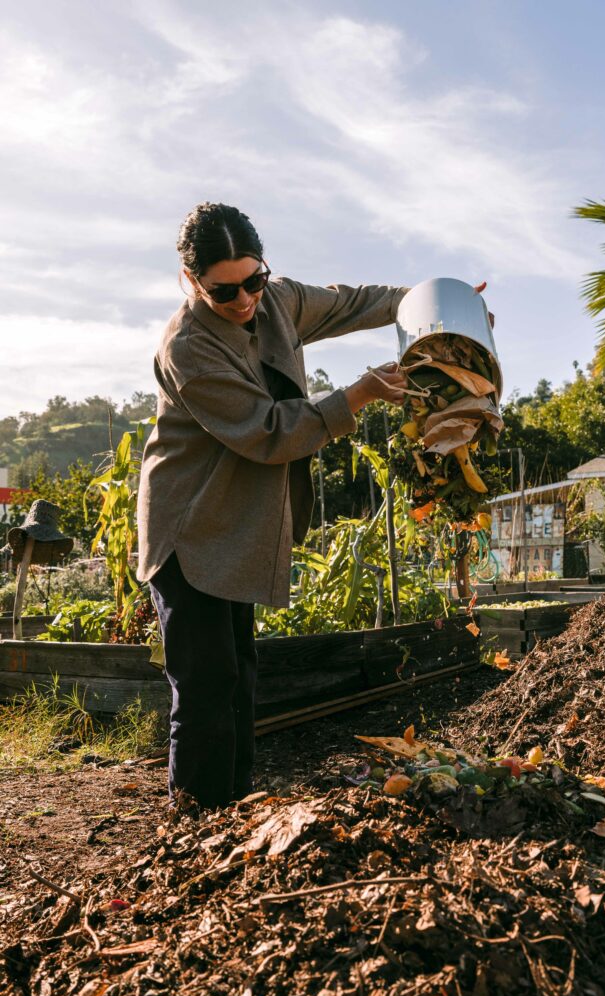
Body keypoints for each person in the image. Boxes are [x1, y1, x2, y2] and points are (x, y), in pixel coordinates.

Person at [137, 201, 409, 811]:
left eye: (252, 280)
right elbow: (269, 431)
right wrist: (359, 394)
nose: (242, 299)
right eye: (222, 289)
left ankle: (233, 809)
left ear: (265, 268)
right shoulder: (188, 346)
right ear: (191, 281)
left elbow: (351, 302)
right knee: (206, 687)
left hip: (239, 520)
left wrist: (429, 304)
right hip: (191, 526)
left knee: (240, 675)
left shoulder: (277, 299)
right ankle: (196, 827)